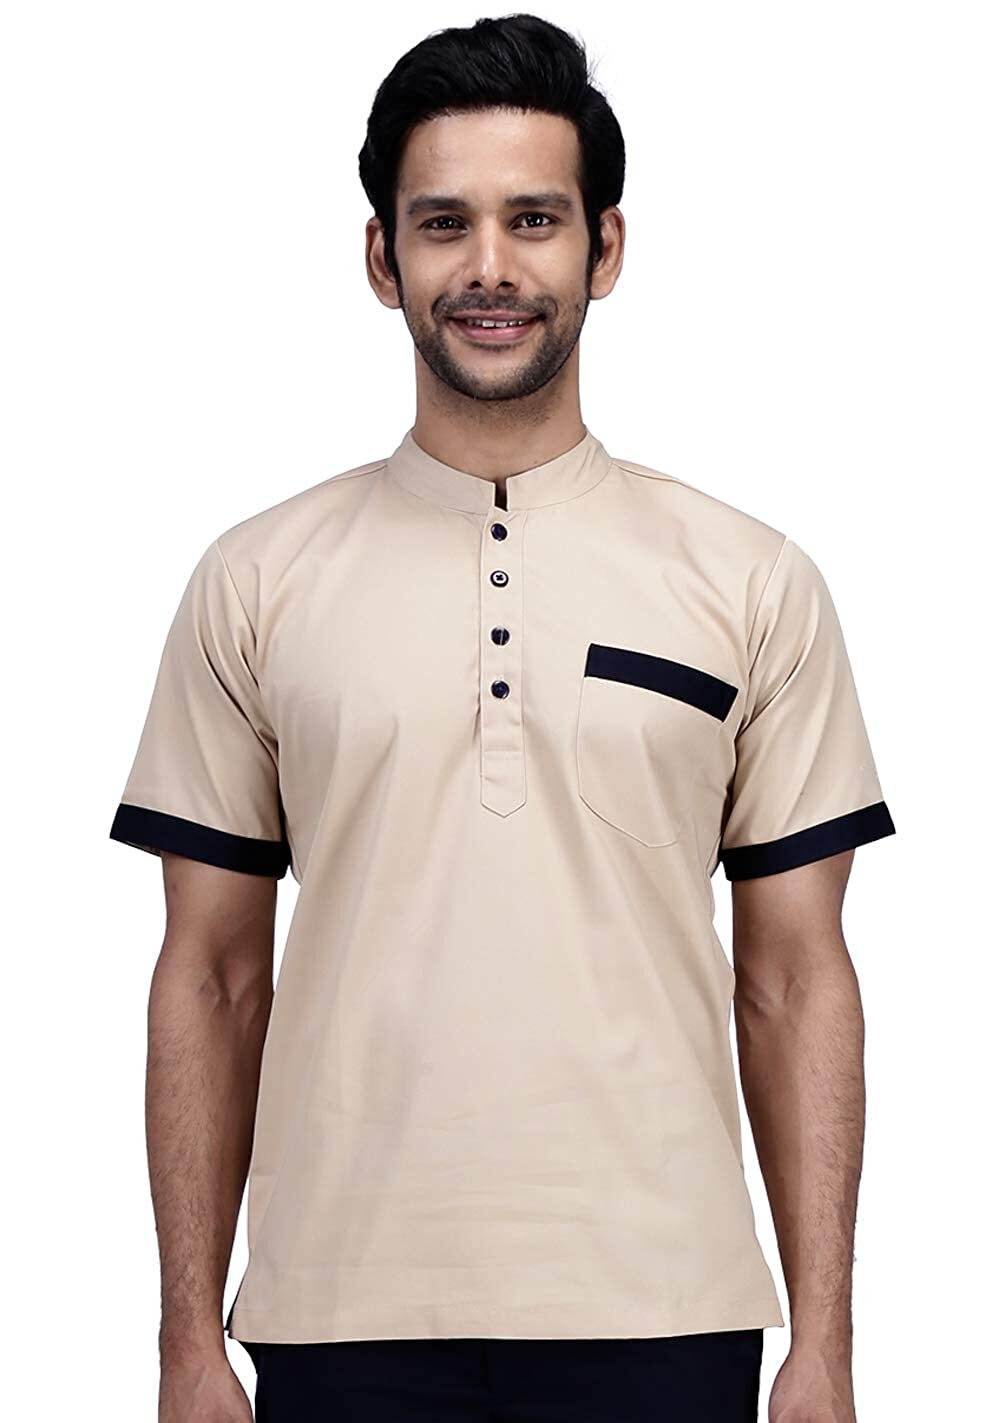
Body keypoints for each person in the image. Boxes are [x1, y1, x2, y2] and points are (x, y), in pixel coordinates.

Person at [109, 14, 896, 1423]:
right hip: (337, 1315)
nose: (489, 267)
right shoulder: (257, 581)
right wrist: (184, 1343)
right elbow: (212, 975)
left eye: (533, 220)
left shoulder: (748, 580)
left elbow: (794, 979)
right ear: (381, 258)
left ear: (604, 249)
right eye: (443, 224)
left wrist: (824, 1346)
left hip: (666, 1308)